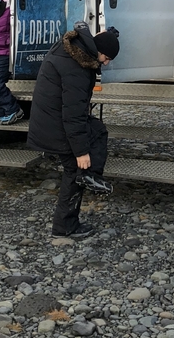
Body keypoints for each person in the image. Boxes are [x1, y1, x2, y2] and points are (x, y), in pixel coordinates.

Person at [27, 21, 120, 239]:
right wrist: (81, 152)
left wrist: (110, 36)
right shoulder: (77, 70)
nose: (105, 64)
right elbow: (73, 115)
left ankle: (91, 176)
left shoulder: (76, 49)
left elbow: (98, 39)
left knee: (98, 130)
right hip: (55, 125)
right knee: (75, 171)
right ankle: (64, 227)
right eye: (106, 58)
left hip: (50, 118)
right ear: (98, 52)